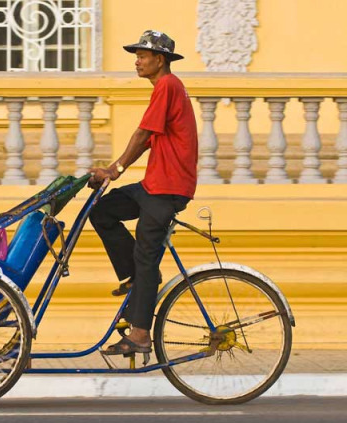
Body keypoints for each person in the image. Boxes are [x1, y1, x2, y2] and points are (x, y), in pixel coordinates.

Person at [88, 30, 198, 356]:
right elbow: (149, 139)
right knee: (102, 211)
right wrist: (116, 170)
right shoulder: (164, 89)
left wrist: (113, 169)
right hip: (154, 185)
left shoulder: (167, 85)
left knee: (147, 256)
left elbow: (142, 134)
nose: (137, 61)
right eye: (136, 55)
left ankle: (139, 334)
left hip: (169, 188)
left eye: (142, 56)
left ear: (159, 60)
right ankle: (136, 281)